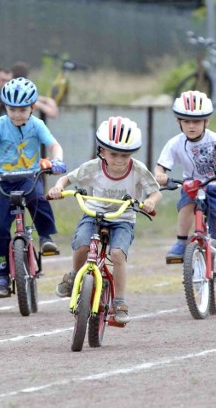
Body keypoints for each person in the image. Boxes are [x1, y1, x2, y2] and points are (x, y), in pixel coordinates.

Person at [48, 116, 161, 324]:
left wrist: (150, 201)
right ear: (101, 151)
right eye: (113, 154)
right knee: (82, 245)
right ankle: (74, 276)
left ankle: (119, 301)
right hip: (94, 214)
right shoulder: (94, 167)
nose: (119, 160)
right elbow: (67, 179)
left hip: (123, 219)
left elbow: (155, 192)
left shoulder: (137, 170)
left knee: (117, 254)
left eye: (125, 155)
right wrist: (58, 187)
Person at [0, 77, 66, 298]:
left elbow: (54, 145)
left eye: (22, 109)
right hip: (4, 181)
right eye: (12, 109)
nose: (17, 114)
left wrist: (57, 160)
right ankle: (2, 276)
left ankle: (47, 237)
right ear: (6, 107)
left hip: (29, 176)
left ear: (32, 107)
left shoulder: (37, 125)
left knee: (38, 199)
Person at [154, 90, 216, 304]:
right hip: (193, 185)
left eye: (196, 121)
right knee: (186, 203)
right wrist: (160, 175)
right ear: (179, 122)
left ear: (206, 121)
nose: (191, 126)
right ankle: (181, 242)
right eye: (186, 121)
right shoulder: (175, 143)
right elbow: (161, 165)